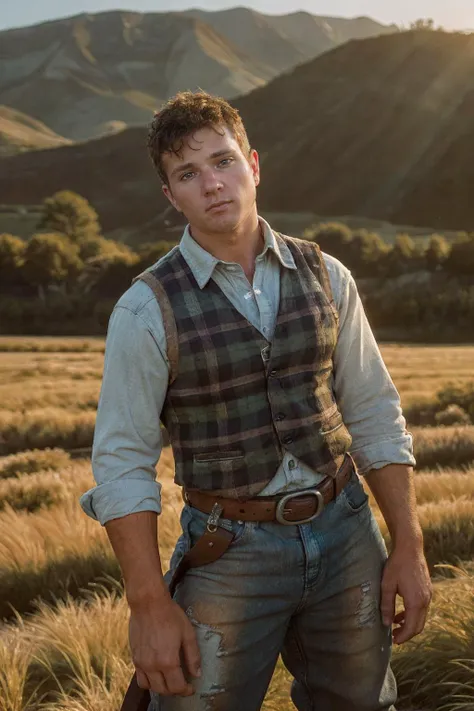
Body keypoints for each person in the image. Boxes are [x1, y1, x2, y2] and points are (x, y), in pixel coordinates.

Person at [79, 90, 432, 711]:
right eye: (188, 174)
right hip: (228, 551)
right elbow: (122, 463)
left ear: (254, 165)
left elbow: (375, 412)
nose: (212, 184)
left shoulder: (328, 276)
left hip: (348, 532)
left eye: (223, 161)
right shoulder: (144, 309)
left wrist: (408, 543)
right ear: (171, 196)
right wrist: (148, 605)